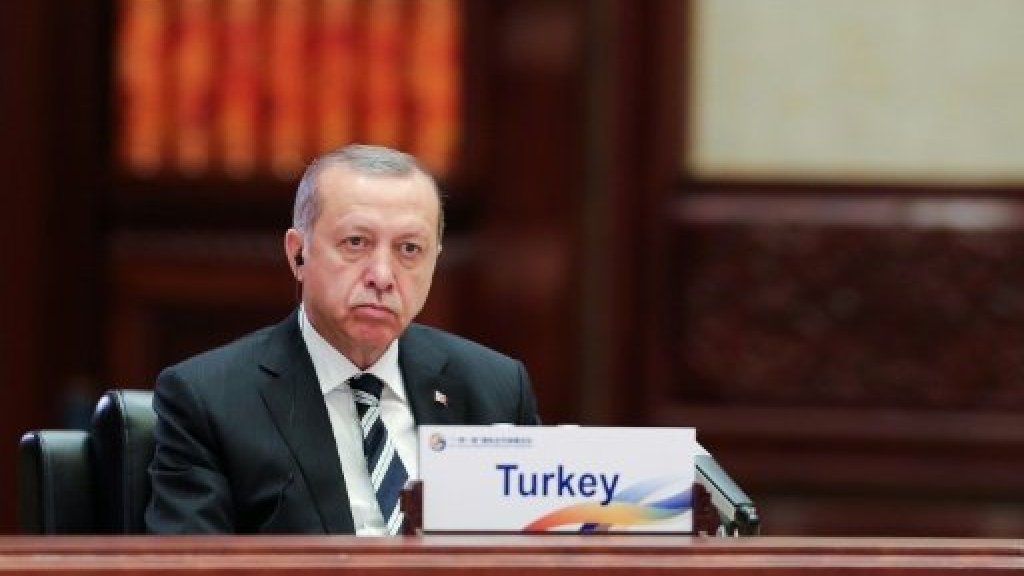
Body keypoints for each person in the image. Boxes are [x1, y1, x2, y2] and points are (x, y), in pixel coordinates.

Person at [145, 144, 541, 535]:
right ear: (298, 254)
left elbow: (539, 551)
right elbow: (191, 562)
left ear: (434, 261)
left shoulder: (496, 389)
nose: (382, 276)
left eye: (409, 249)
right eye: (356, 243)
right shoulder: (209, 400)